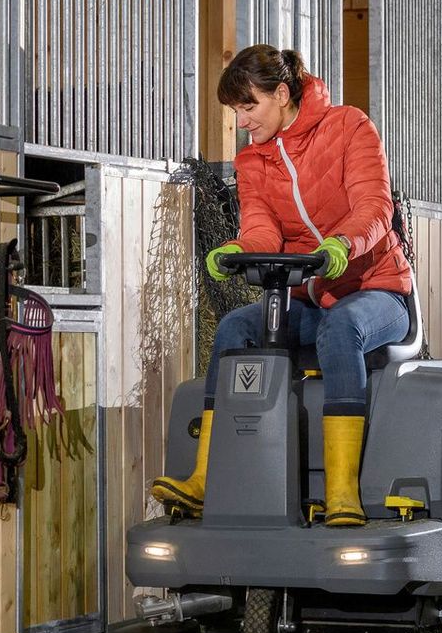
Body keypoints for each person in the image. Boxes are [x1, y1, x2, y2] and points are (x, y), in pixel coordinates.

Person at [150, 44, 413, 527]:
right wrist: (239, 248)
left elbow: (374, 207)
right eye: (235, 111)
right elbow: (261, 227)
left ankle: (341, 493)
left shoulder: (349, 127)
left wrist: (342, 245)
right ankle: (205, 478)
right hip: (309, 299)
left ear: (283, 93)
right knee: (233, 330)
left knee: (341, 329)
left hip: (378, 290)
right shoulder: (253, 162)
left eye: (248, 106)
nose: (242, 120)